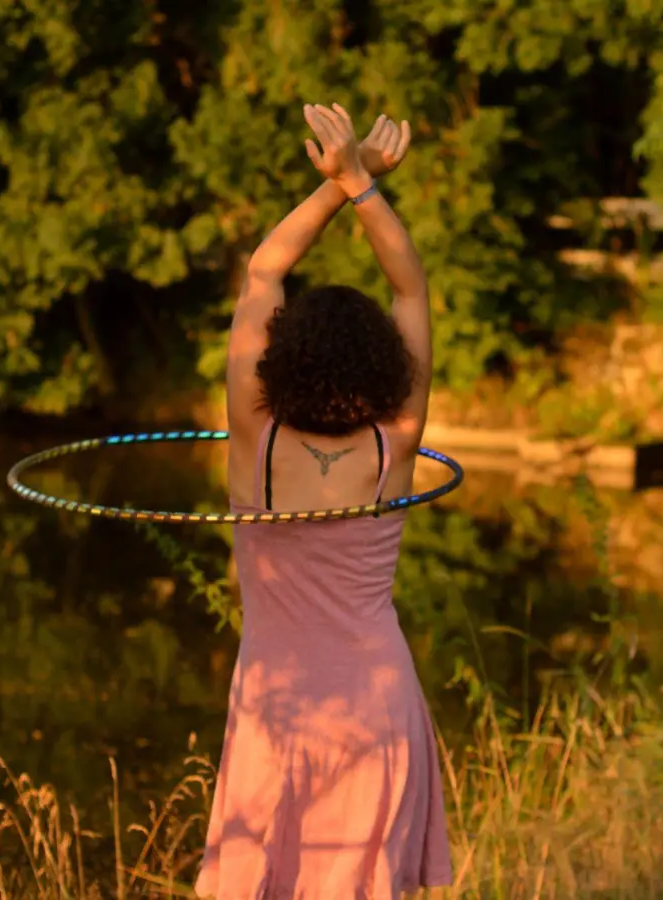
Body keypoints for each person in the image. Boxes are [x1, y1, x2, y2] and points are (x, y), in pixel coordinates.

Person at [194, 103, 453, 899]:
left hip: (278, 708)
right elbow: (410, 285)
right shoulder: (396, 439)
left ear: (285, 351)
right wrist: (364, 188)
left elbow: (264, 272)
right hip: (377, 704)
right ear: (383, 363)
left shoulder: (255, 440)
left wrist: (338, 186)